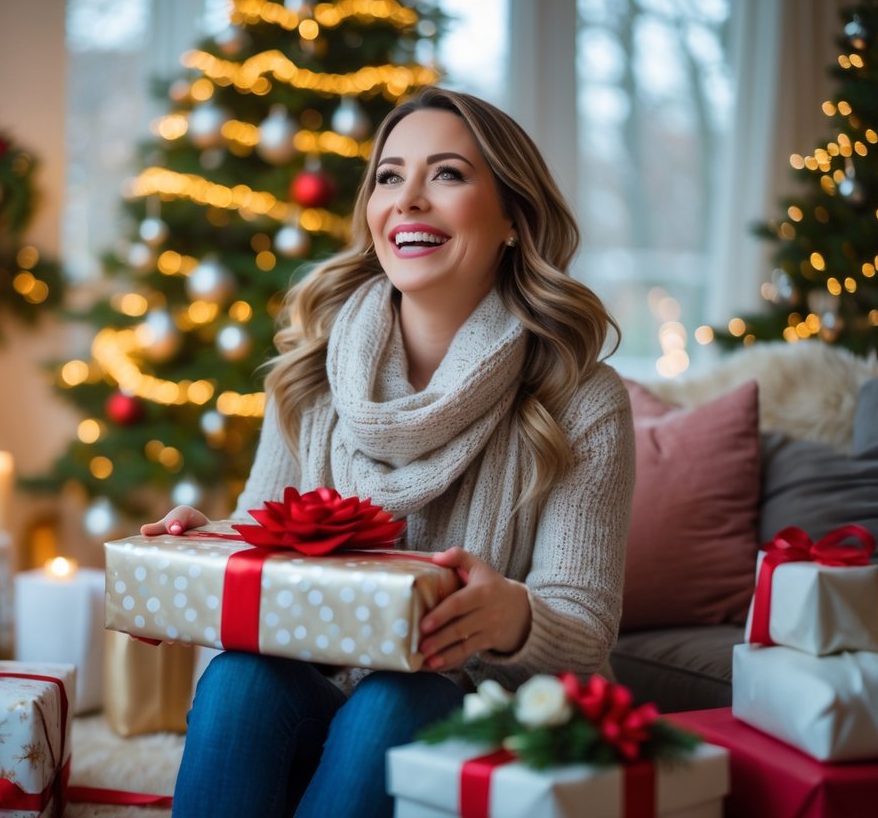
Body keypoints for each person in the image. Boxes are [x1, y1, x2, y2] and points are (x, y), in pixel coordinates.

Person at [141, 86, 636, 818]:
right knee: (239, 679)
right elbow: (262, 542)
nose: (406, 200)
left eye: (446, 174)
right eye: (388, 176)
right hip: (309, 693)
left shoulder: (580, 397)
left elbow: (585, 630)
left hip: (472, 719)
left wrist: (511, 617)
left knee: (394, 700)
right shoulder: (310, 377)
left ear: (510, 218)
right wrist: (205, 548)